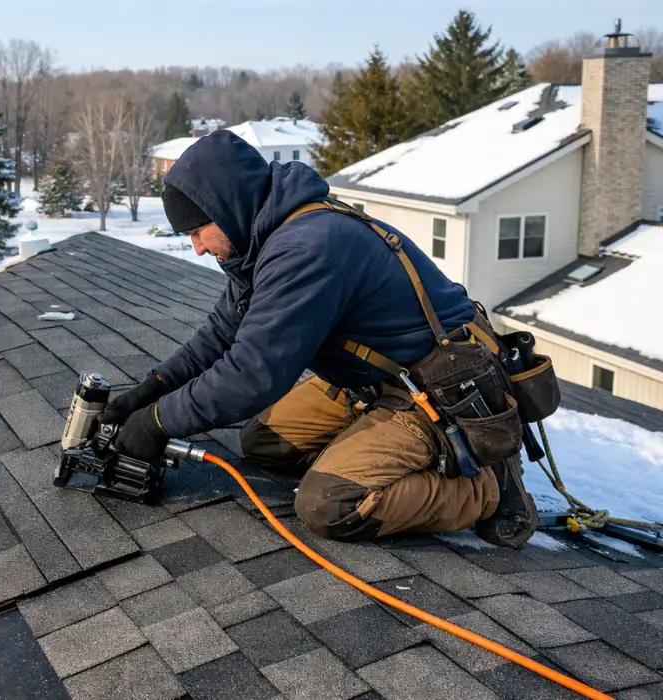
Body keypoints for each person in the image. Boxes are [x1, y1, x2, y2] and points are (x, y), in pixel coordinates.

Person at [101, 130, 539, 547]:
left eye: (198, 231)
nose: (197, 247)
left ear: (226, 205)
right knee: (264, 443)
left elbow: (251, 375)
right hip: (373, 379)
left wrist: (157, 422)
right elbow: (221, 333)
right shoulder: (260, 237)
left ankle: (486, 487)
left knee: (330, 504)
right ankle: (377, 444)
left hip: (437, 390)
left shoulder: (306, 248)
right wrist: (154, 388)